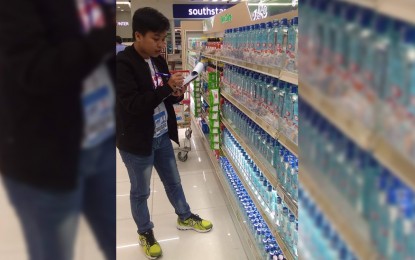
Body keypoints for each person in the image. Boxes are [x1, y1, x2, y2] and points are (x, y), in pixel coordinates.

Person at [0, 0, 116, 260]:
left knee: (112, 241)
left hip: (103, 140)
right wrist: (103, 38)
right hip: (46, 156)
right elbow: (36, 69)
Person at [116, 7, 213, 259]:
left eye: (164, 39)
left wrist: (175, 93)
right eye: (156, 39)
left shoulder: (158, 60)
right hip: (137, 141)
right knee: (141, 191)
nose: (161, 44)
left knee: (173, 181)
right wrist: (164, 90)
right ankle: (145, 232)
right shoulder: (122, 64)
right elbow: (134, 105)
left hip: (160, 135)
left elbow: (161, 97)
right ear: (138, 36)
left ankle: (185, 216)